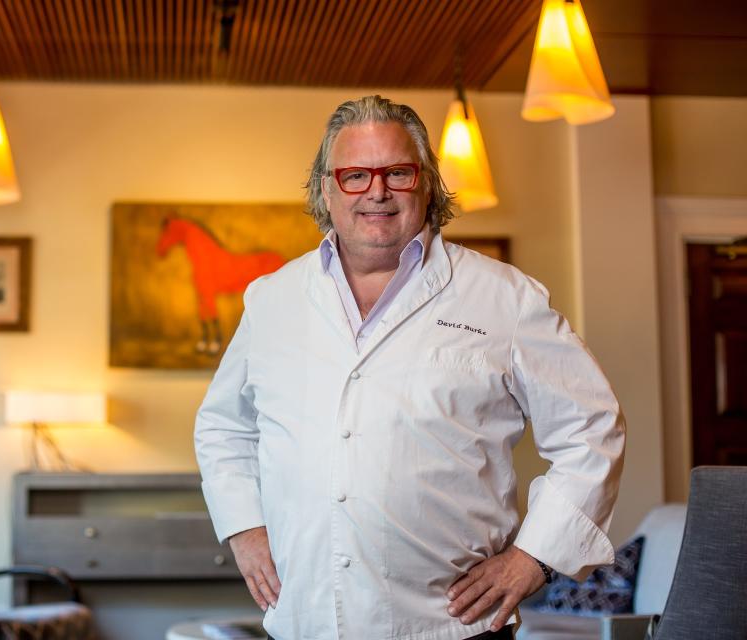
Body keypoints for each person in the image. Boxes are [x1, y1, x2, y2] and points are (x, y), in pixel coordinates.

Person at [194, 95, 625, 640]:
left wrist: (533, 558)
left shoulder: (504, 298)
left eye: (397, 171)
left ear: (426, 184)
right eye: (354, 175)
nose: (376, 190)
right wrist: (244, 529)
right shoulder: (272, 298)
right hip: (307, 621)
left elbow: (592, 428)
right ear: (326, 189)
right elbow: (224, 426)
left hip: (453, 627)